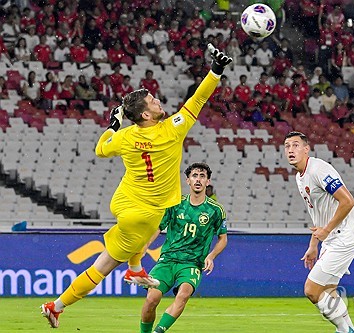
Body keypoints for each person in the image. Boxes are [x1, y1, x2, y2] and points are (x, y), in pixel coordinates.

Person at [40, 44, 232, 329]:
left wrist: (113, 125)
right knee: (101, 268)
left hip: (123, 202)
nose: (158, 102)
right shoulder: (172, 129)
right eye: (153, 102)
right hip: (146, 214)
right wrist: (215, 71)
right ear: (146, 115)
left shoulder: (126, 136)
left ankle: (57, 306)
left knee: (119, 255)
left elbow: (101, 149)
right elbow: (198, 99)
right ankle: (130, 272)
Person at [284, 131, 354, 333]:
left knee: (311, 290)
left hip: (345, 235)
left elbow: (348, 201)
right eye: (287, 146)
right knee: (328, 291)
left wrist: (327, 231)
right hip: (332, 238)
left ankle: (345, 331)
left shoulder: (319, 169)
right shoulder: (299, 177)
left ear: (306, 149)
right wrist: (313, 244)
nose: (290, 150)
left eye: (295, 145)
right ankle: (350, 330)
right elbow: (318, 217)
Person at [140, 162, 228, 333]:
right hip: (168, 260)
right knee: (151, 299)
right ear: (187, 180)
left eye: (202, 176)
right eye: (194, 175)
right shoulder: (175, 204)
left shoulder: (215, 210)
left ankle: (159, 332)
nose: (198, 179)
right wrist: (145, 246)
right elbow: (158, 227)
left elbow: (223, 239)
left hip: (192, 264)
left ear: (207, 182)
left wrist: (211, 256)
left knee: (184, 294)